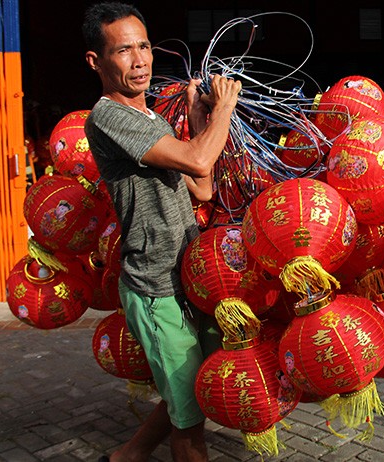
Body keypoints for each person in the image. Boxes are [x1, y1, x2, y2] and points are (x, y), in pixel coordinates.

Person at [81, 2, 242, 461]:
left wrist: (198, 120)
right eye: (123, 50)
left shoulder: (151, 118)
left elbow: (203, 187)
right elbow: (198, 159)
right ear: (96, 61)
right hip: (155, 287)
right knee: (189, 426)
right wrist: (225, 110)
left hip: (187, 277)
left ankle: (126, 455)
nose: (140, 60)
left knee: (191, 392)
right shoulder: (109, 117)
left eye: (145, 46)